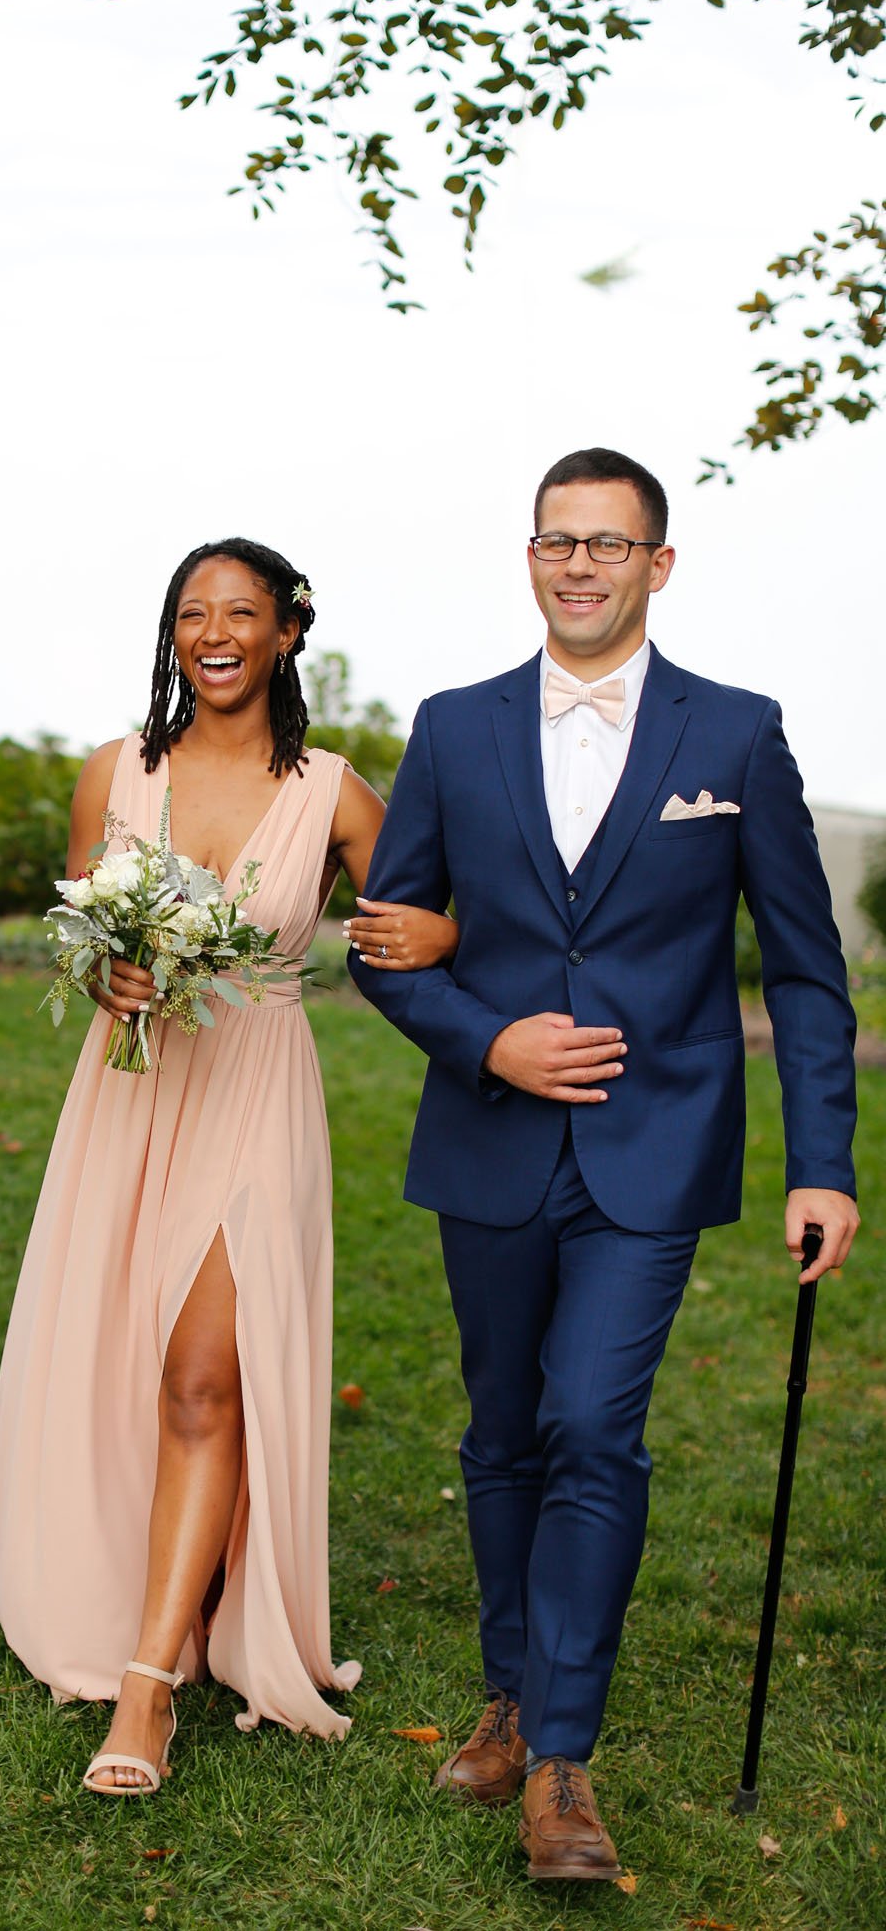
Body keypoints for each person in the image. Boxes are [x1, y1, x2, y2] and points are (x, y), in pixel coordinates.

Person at [347, 447, 858, 1881]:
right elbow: (385, 945)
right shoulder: (453, 729)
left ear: (659, 566)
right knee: (503, 1427)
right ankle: (509, 1696)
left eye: (610, 544)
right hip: (492, 1139)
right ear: (531, 559)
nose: (581, 564)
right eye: (558, 542)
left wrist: (826, 1163)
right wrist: (487, 1039)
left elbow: (809, 977)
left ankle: (561, 1764)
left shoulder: (738, 735)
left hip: (657, 1148)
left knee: (591, 1422)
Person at [0, 537, 457, 1795]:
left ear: (286, 632)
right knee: (123, 1357)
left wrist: (439, 924)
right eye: (191, 612)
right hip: (130, 1092)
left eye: (238, 612)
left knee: (203, 1379)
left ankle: (146, 1691)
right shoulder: (115, 775)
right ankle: (147, 1598)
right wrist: (110, 970)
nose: (212, 632)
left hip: (253, 1086)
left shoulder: (337, 792)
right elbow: (81, 941)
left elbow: (437, 910)